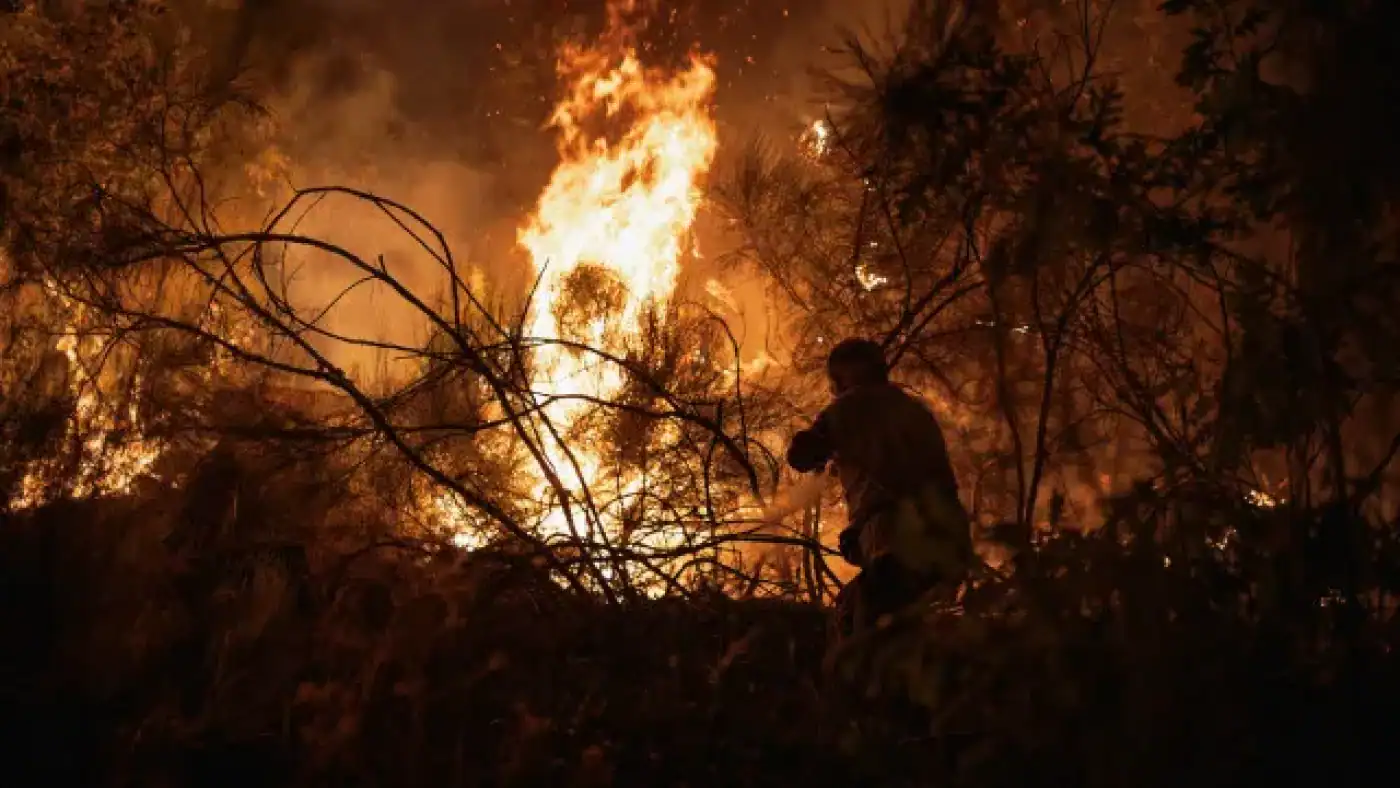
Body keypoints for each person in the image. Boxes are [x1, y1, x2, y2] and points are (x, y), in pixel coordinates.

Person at [786, 338, 974, 644]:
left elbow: (801, 456)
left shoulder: (847, 409)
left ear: (842, 376)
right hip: (951, 544)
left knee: (865, 638)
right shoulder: (916, 411)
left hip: (895, 543)